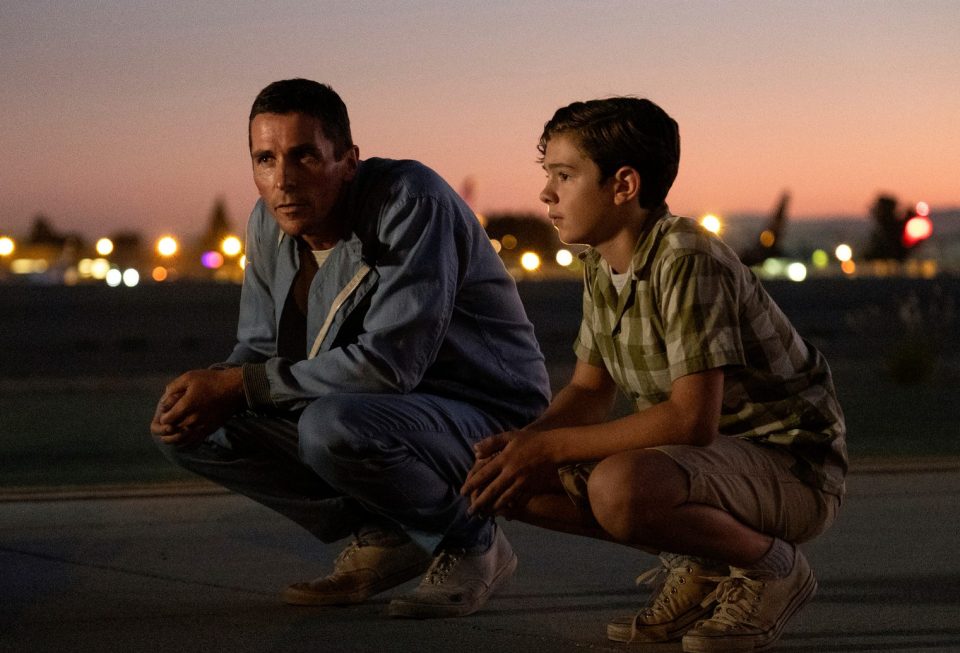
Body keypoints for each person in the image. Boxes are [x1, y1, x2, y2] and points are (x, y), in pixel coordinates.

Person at [151, 78, 550, 619]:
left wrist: (240, 385)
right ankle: (390, 533)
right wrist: (210, 389)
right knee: (200, 428)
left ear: (349, 160)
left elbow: (390, 367)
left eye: (304, 156)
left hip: (484, 415)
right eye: (264, 159)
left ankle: (472, 541)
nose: (283, 181)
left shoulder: (411, 201)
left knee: (331, 427)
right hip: (368, 409)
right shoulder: (267, 223)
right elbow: (259, 346)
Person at [462, 97, 847, 652]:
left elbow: (692, 420)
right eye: (548, 176)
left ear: (623, 185)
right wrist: (524, 446)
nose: (547, 193)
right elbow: (590, 391)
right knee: (509, 483)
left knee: (618, 486)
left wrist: (550, 450)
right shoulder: (601, 262)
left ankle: (772, 568)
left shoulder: (687, 257)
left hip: (790, 466)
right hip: (707, 466)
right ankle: (706, 562)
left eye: (565, 176)